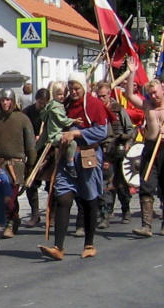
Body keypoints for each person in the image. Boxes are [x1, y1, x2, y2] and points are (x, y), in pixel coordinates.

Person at [38, 77, 110, 260]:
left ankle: (89, 244)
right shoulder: (64, 104)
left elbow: (101, 131)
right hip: (66, 157)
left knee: (89, 200)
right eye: (71, 88)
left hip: (87, 156)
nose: (74, 91)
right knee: (63, 198)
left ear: (84, 87)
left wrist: (76, 133)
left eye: (76, 88)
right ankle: (58, 247)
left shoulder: (94, 105)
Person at [124, 80, 164, 238]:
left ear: (163, 90)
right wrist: (131, 72)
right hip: (150, 148)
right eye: (150, 93)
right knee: (146, 185)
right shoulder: (147, 106)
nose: (153, 96)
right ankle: (146, 226)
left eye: (155, 92)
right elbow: (129, 95)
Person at [0, 89, 35, 236]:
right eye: (3, 100)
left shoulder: (22, 119)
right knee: (3, 196)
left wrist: (31, 165)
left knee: (11, 195)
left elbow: (30, 146)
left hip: (16, 165)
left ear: (13, 101)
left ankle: (10, 222)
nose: (5, 103)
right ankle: (13, 219)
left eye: (8, 100)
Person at [95, 82, 135, 225]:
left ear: (109, 94)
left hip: (119, 151)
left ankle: (126, 210)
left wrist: (128, 144)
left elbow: (130, 130)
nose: (101, 99)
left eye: (103, 96)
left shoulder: (118, 110)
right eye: (99, 96)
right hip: (103, 153)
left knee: (122, 185)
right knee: (106, 185)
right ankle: (105, 215)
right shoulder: (95, 110)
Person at [22, 89, 49, 225]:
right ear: (36, 100)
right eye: (40, 103)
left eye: (45, 103)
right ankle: (35, 214)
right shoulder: (27, 113)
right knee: (31, 184)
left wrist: (44, 137)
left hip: (48, 151)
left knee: (52, 185)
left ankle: (52, 215)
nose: (42, 106)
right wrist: (32, 138)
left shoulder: (50, 113)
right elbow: (22, 129)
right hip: (33, 151)